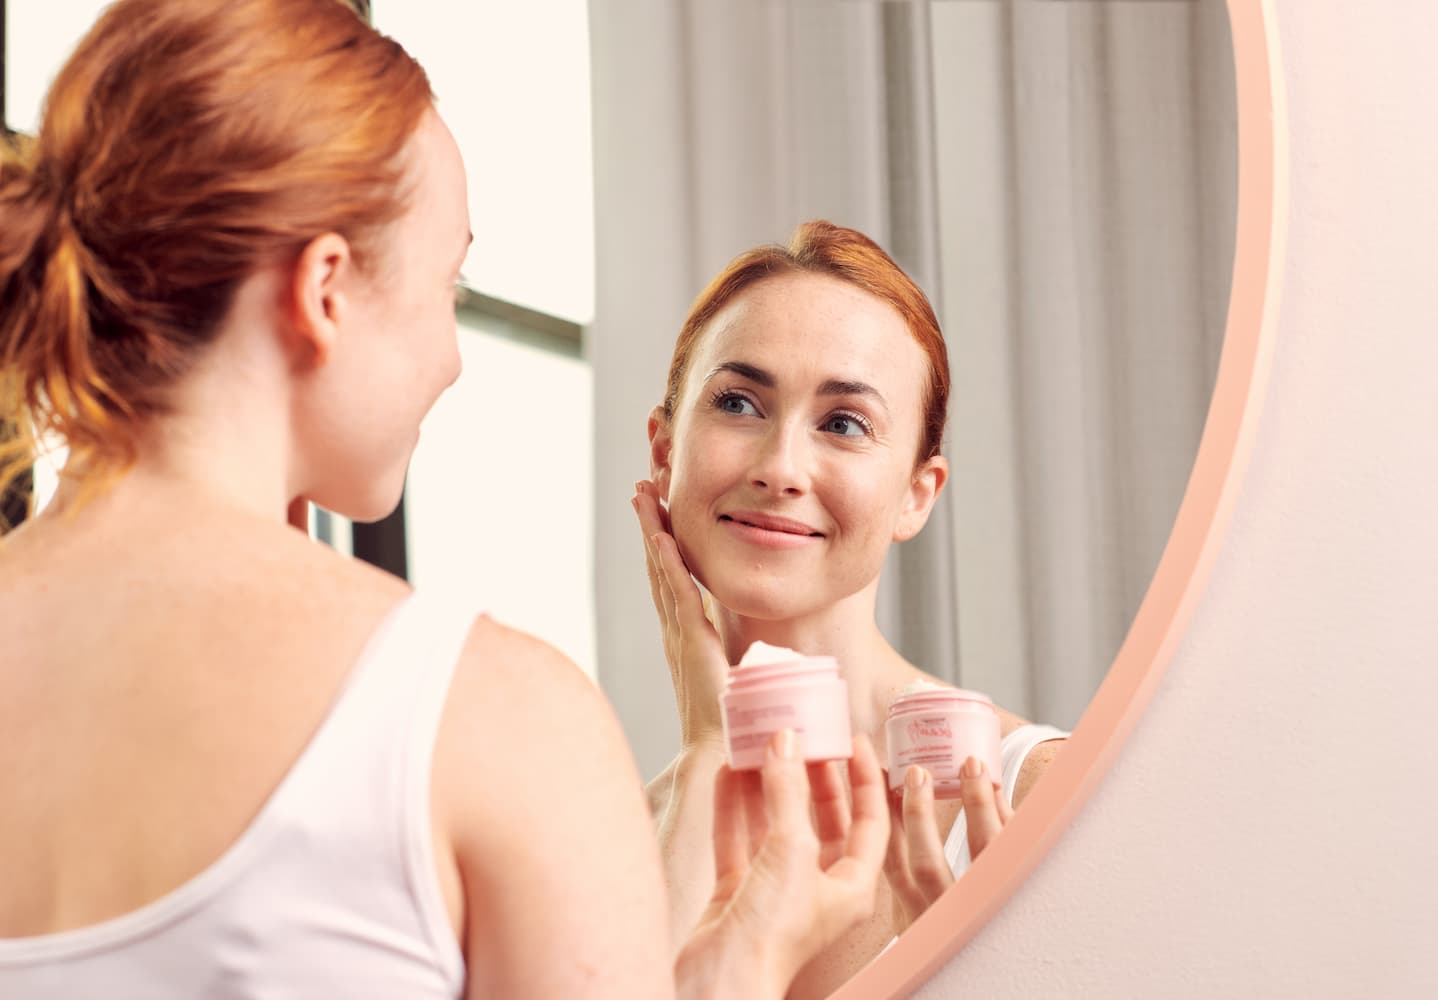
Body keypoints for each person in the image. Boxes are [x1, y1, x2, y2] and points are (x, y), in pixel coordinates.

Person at [0, 2, 888, 997]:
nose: (452, 357)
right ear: (324, 290)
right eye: (448, 285)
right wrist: (753, 960)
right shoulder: (490, 719)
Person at [632, 220, 1070, 997]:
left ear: (915, 494)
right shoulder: (627, 834)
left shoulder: (1031, 790)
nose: (781, 467)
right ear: (665, 452)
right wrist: (709, 749)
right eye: (738, 402)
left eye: (843, 424)